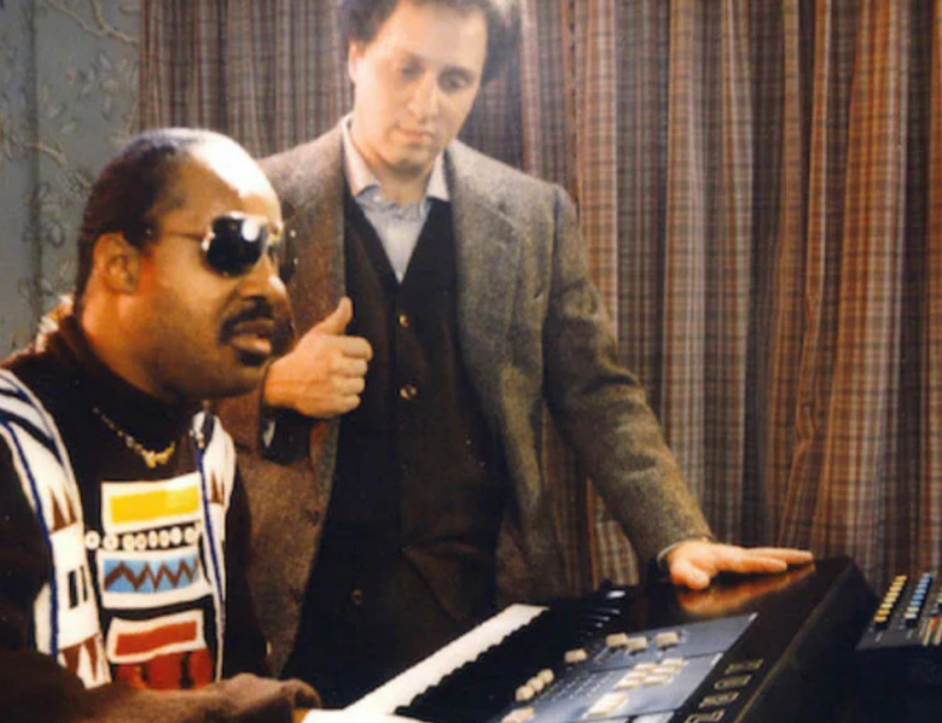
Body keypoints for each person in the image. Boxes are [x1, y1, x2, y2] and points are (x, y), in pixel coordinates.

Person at [221, 0, 813, 706]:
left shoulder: (534, 215)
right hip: (298, 627)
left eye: (455, 81)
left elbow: (599, 394)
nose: (425, 104)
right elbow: (158, 384)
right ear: (354, 54)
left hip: (486, 619)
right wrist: (271, 386)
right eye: (406, 69)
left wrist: (678, 537)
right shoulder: (252, 202)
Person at [0, 128, 320, 722]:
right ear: (120, 265)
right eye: (233, 245)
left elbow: (238, 674)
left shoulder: (209, 449)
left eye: (280, 255)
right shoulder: (11, 441)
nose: (272, 286)